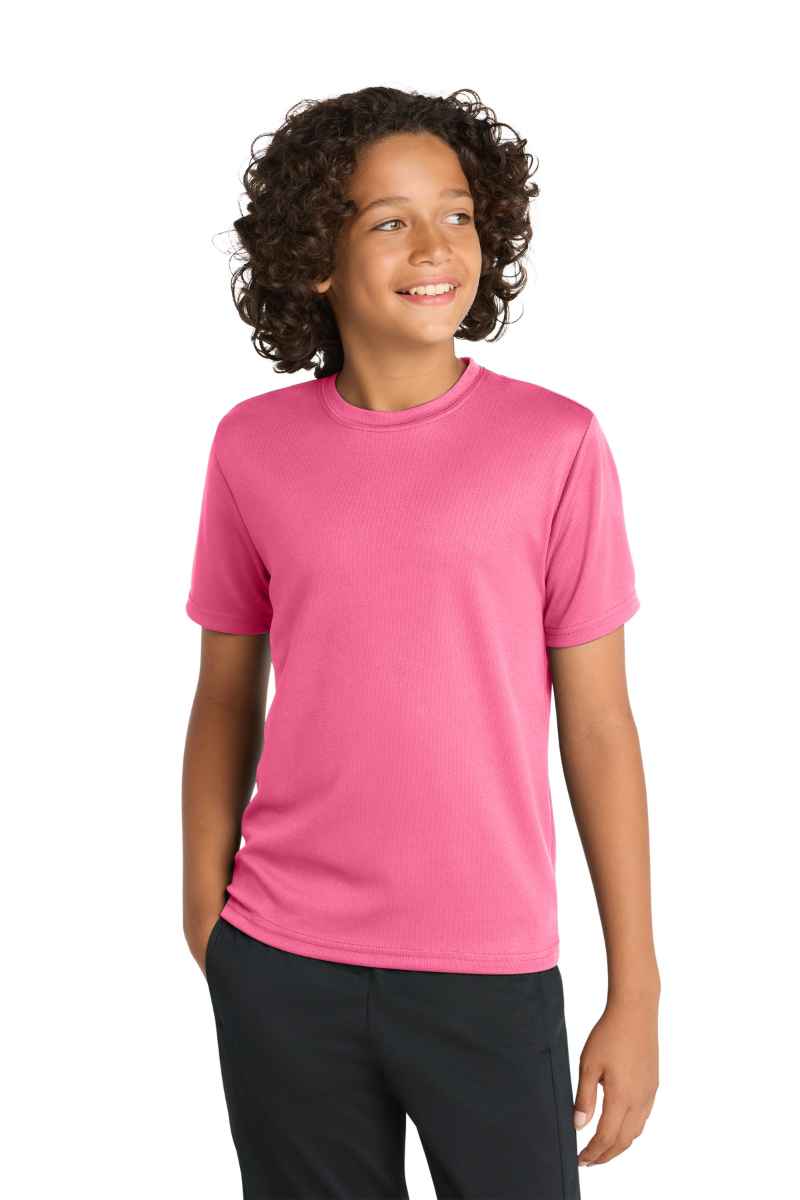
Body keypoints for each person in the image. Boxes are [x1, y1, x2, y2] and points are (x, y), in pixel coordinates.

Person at [182, 85, 660, 1200]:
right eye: (388, 221)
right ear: (316, 254)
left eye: (456, 213)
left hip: (487, 970)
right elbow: (223, 696)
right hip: (283, 963)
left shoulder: (555, 444)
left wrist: (634, 987)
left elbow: (598, 725)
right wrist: (208, 919)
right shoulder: (251, 447)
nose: (435, 247)